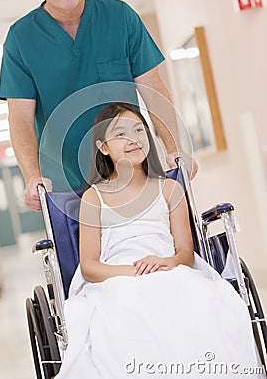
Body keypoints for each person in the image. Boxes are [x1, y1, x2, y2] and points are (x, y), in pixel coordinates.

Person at [55, 102, 262, 379]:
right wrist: (132, 272)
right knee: (126, 301)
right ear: (103, 147)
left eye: (139, 130)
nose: (133, 139)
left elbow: (185, 254)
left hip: (169, 268)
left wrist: (163, 263)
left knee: (192, 293)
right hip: (116, 276)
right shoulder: (95, 198)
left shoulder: (169, 189)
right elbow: (90, 266)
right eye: (120, 134)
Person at [0, 0, 197, 212]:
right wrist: (32, 177)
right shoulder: (21, 39)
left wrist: (175, 147)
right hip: (68, 185)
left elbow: (152, 88)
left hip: (134, 173)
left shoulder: (120, 17)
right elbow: (19, 117)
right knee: (87, 255)